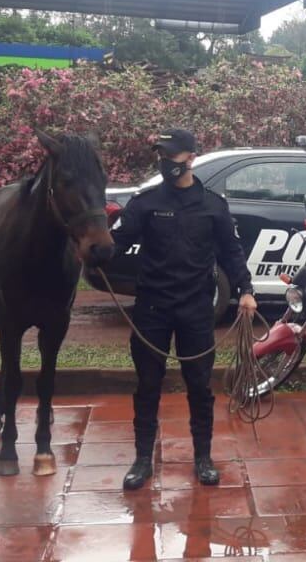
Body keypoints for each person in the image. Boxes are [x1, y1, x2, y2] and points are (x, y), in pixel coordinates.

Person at [106, 128, 257, 490]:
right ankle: (142, 459)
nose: (163, 162)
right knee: (147, 385)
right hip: (152, 308)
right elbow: (114, 245)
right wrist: (89, 244)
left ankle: (203, 458)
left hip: (196, 308)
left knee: (199, 386)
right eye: (160, 155)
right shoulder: (144, 204)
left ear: (190, 158)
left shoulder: (213, 205)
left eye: (170, 155)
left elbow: (231, 252)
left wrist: (246, 290)